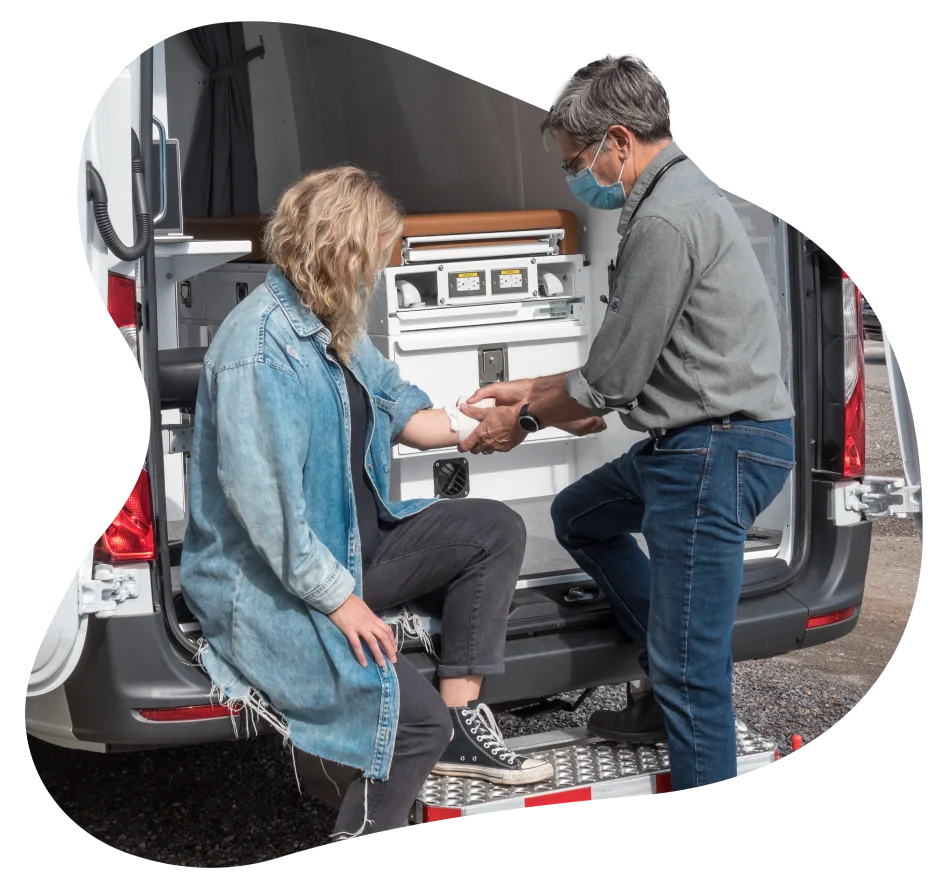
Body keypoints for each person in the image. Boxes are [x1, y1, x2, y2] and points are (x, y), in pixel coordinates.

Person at [180, 165, 610, 841]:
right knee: (412, 724)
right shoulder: (257, 349)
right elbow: (268, 513)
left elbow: (409, 414)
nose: (383, 265)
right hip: (274, 583)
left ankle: (464, 725)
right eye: (377, 250)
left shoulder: (333, 323)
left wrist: (528, 416)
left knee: (492, 529)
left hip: (351, 550)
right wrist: (342, 603)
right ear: (341, 251)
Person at [456, 52, 796, 797]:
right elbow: (613, 364)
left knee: (691, 673)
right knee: (582, 514)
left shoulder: (667, 220)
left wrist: (520, 422)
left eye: (577, 160)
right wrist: (529, 388)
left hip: (714, 452)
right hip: (703, 444)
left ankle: (672, 692)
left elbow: (608, 382)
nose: (577, 176)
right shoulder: (676, 198)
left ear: (617, 140)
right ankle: (659, 662)